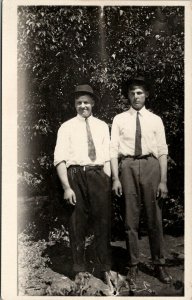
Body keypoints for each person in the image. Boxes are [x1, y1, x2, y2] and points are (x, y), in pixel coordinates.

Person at [110, 76, 172, 286]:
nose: (136, 96)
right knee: (130, 219)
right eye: (132, 93)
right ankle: (134, 265)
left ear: (146, 95)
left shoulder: (155, 120)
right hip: (127, 166)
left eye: (139, 92)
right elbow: (112, 150)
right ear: (128, 95)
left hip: (150, 166)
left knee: (154, 217)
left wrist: (163, 181)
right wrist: (115, 178)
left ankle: (159, 264)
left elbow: (162, 151)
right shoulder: (119, 119)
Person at [54, 84, 113, 290]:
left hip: (98, 175)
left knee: (102, 222)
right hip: (75, 175)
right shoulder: (66, 127)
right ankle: (79, 268)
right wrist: (66, 187)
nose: (83, 106)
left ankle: (104, 267)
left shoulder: (102, 126)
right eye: (79, 103)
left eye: (86, 102)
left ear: (93, 103)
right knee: (76, 222)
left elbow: (107, 155)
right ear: (74, 105)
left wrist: (107, 179)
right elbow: (59, 159)